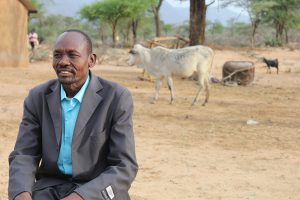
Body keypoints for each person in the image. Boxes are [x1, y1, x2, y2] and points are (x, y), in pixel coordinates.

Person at [8, 29, 138, 200]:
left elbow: (124, 166)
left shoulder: (116, 97)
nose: (63, 62)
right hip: (51, 186)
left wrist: (80, 197)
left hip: (95, 188)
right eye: (57, 55)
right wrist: (21, 194)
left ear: (91, 60)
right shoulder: (37, 97)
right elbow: (24, 154)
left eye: (72, 55)